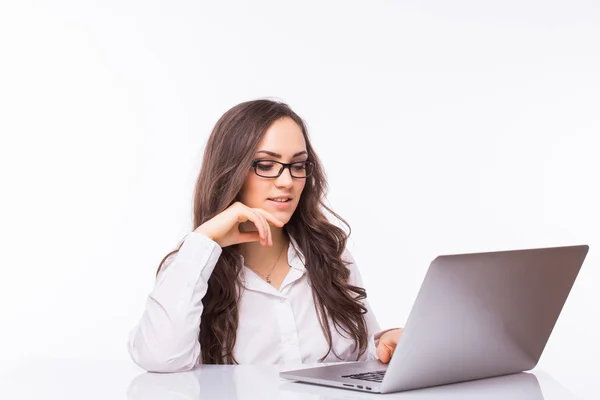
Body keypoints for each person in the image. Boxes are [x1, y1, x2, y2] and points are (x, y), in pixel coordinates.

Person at [128, 99, 403, 373]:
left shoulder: (331, 255)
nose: (286, 181)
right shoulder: (190, 266)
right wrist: (204, 238)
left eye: (298, 165)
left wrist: (385, 343)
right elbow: (159, 359)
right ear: (230, 171)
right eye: (266, 165)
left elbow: (365, 354)